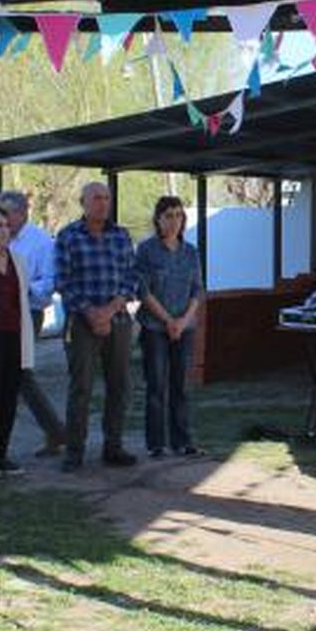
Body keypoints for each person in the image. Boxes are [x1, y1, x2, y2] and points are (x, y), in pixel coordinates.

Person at [53, 181, 138, 471]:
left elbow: (131, 279)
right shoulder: (68, 236)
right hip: (81, 322)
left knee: (120, 386)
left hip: (120, 320)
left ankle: (113, 447)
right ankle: (74, 452)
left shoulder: (121, 236)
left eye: (106, 198)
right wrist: (92, 313)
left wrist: (111, 309)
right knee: (81, 388)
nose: (103, 203)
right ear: (83, 203)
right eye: (97, 198)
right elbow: (62, 281)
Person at [0, 189, 66, 456]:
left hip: (26, 313)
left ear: (22, 213)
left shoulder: (41, 243)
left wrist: (19, 287)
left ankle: (55, 430)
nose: (1, 218)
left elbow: (48, 284)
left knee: (20, 372)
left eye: (6, 212)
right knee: (12, 374)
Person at [136, 195, 204, 457]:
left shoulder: (190, 252)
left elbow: (197, 290)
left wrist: (183, 321)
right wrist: (167, 321)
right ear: (158, 219)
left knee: (180, 386)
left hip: (184, 328)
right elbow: (143, 291)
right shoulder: (146, 250)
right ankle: (156, 444)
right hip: (155, 327)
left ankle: (182, 441)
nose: (174, 221)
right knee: (156, 386)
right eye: (168, 216)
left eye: (178, 215)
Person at [0, 205, 36, 474]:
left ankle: (1, 454)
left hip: (14, 336)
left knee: (8, 397)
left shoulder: (17, 259)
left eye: (6, 226)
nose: (4, 230)